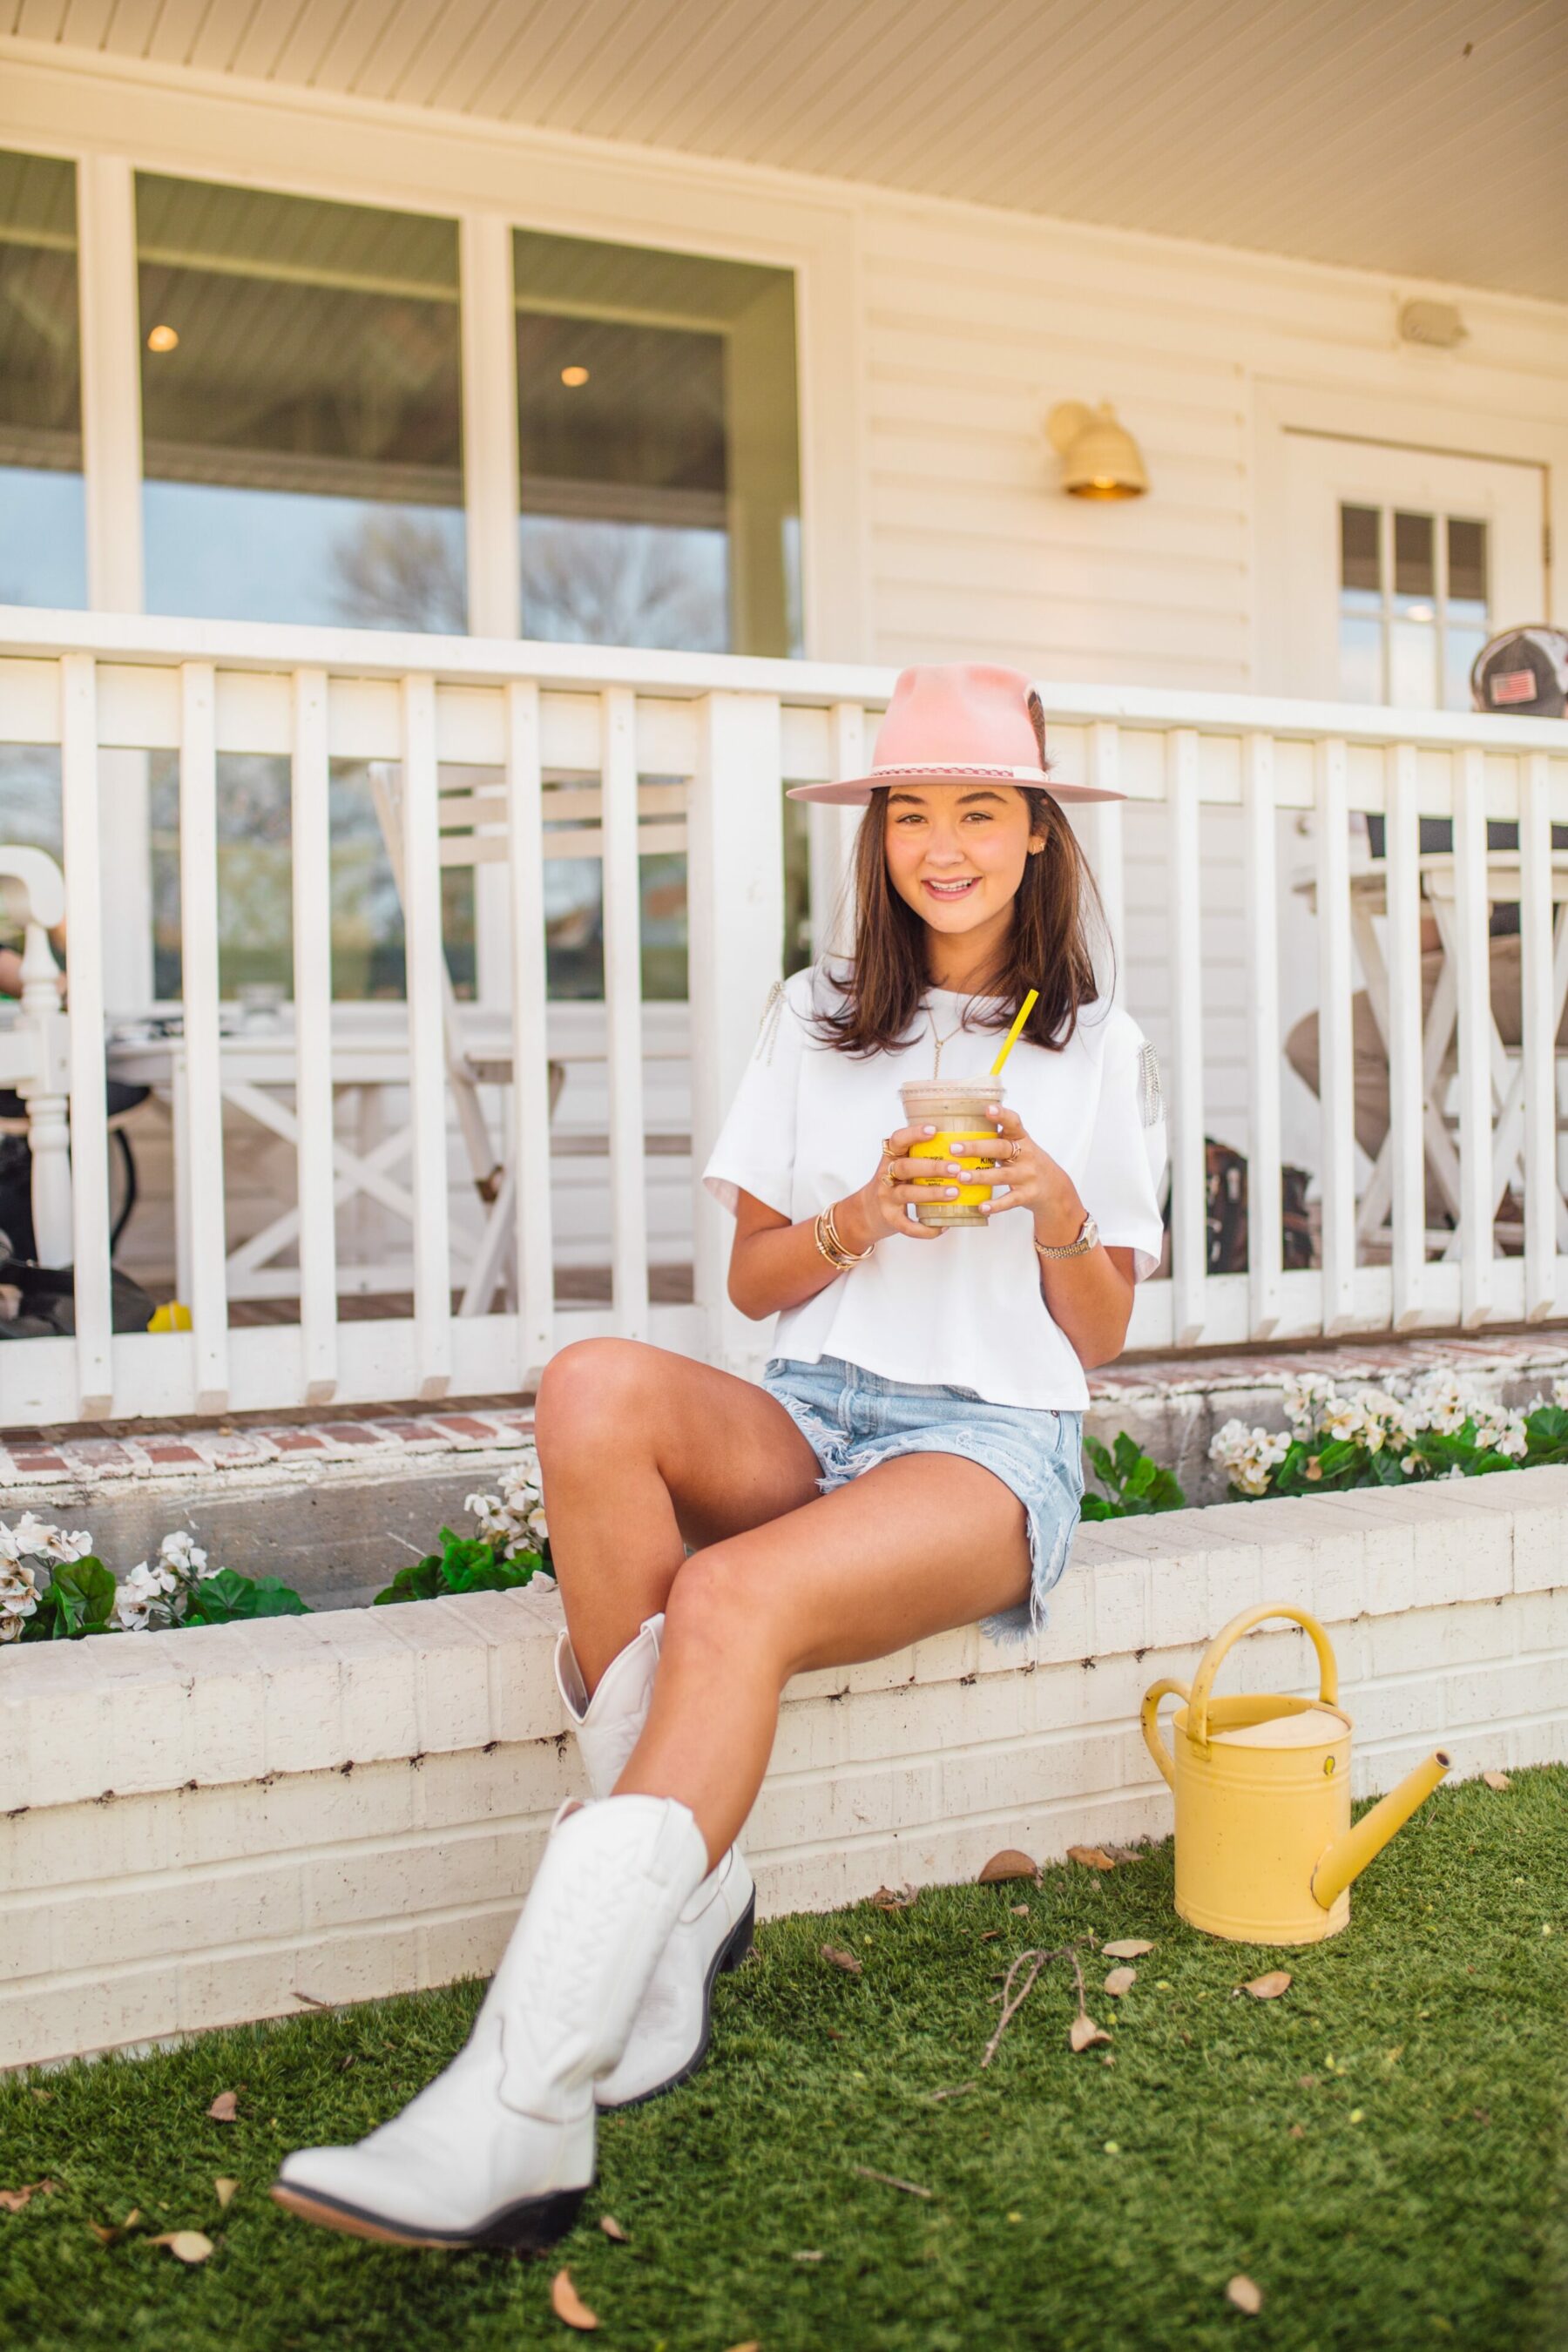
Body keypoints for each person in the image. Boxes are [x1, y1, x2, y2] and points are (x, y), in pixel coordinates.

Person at [271, 663, 1168, 2254]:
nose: (941, 843)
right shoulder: (814, 1018)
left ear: (1037, 837)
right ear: (878, 836)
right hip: (813, 1406)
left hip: (986, 1442)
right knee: (593, 1384)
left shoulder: (1094, 1050)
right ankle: (692, 1901)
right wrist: (862, 1218)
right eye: (911, 810)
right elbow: (757, 1284)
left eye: (979, 810)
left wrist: (1056, 1207)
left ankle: (517, 2103)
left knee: (731, 1601)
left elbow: (1091, 1338)